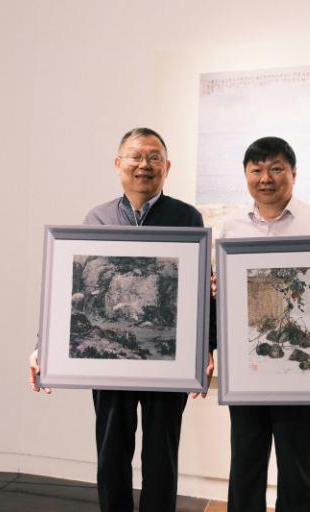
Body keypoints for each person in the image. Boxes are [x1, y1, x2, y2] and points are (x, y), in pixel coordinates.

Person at [28, 127, 215, 512]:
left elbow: (203, 290)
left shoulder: (187, 217)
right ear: (118, 164)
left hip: (170, 362)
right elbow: (71, 288)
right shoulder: (97, 217)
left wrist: (207, 347)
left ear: (167, 167)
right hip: (108, 361)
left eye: (154, 157)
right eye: (135, 156)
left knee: (162, 453)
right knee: (112, 450)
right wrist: (42, 346)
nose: (144, 165)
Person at [220, 136, 310, 512]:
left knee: (298, 467)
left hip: (301, 365)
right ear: (246, 175)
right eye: (256, 170)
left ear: (293, 174)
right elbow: (224, 297)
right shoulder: (231, 226)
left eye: (275, 169)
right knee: (245, 464)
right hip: (247, 367)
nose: (265, 178)